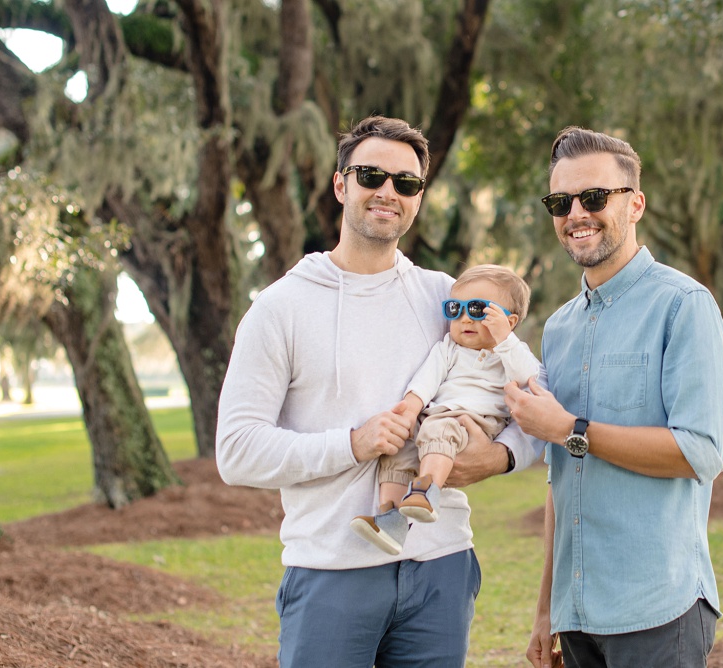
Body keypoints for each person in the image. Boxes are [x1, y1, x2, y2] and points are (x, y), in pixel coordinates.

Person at [215, 115, 543, 668]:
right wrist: (352, 443)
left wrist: (500, 457)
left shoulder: (446, 297)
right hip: (330, 573)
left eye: (406, 182)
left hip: (441, 570)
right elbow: (237, 452)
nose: (387, 192)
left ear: (417, 199)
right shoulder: (279, 308)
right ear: (341, 185)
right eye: (371, 175)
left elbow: (528, 400)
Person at [506, 126, 723, 668]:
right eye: (561, 201)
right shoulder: (557, 328)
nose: (576, 212)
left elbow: (699, 453)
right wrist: (547, 610)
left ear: (635, 204)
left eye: (594, 197)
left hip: (659, 609)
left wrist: (569, 429)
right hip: (577, 615)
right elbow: (562, 480)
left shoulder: (683, 306)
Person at [350, 264, 541, 554]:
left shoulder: (509, 353)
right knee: (400, 443)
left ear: (509, 321)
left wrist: (505, 340)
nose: (465, 318)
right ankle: (389, 518)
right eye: (455, 308)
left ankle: (427, 491)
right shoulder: (449, 347)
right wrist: (410, 411)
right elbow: (427, 379)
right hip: (435, 416)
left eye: (478, 310)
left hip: (476, 422)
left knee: (441, 428)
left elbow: (529, 377)